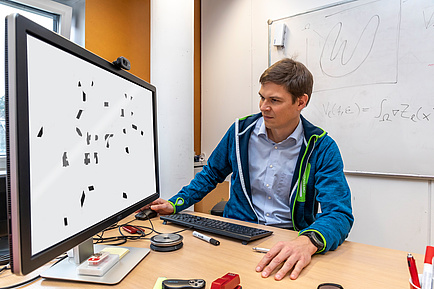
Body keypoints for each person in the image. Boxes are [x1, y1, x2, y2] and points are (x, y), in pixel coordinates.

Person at [145, 58, 354, 281]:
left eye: (274, 100)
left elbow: (339, 213)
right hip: (234, 234)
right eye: (262, 97)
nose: (264, 107)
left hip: (289, 239)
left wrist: (307, 241)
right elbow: (210, 174)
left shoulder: (321, 147)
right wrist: (176, 203)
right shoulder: (239, 132)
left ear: (301, 102)